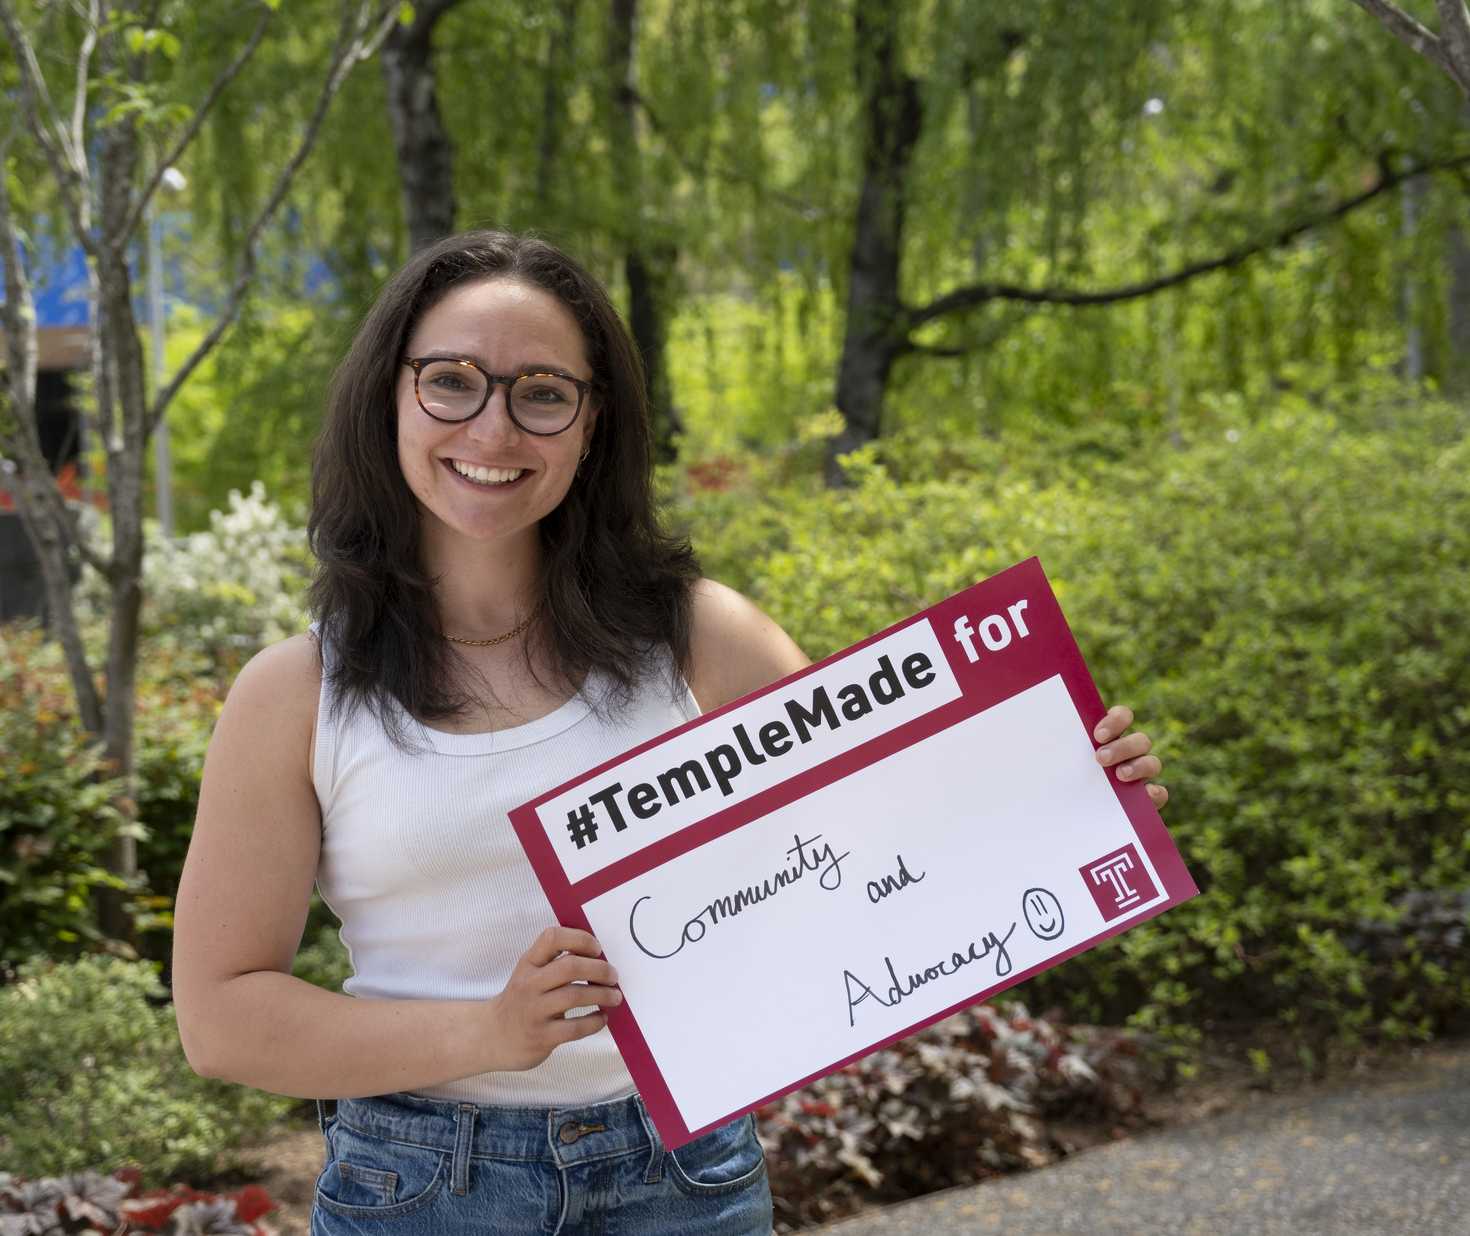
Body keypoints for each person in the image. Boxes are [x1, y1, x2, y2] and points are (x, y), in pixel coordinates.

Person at [171, 231, 1166, 1235]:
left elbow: (885, 851)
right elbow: (220, 1019)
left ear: (592, 424)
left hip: (680, 1179)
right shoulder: (297, 694)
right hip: (422, 1187)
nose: (494, 426)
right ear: (389, 393)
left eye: (543, 393)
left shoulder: (701, 641)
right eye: (453, 381)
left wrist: (1061, 788)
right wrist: (488, 1030)